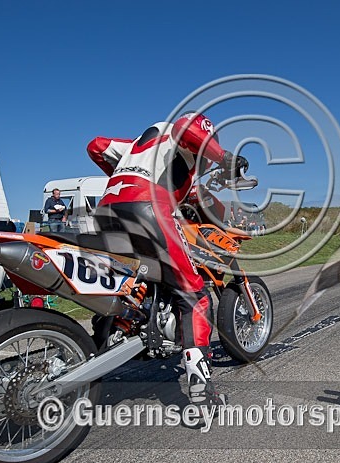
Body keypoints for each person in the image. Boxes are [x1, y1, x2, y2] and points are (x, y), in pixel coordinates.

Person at [87, 112, 248, 405]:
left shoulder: (138, 147)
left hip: (107, 212)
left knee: (131, 285)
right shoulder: (178, 134)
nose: (206, 162)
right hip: (146, 209)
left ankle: (109, 340)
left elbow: (96, 145)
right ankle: (202, 390)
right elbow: (187, 127)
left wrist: (121, 175)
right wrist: (226, 158)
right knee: (195, 297)